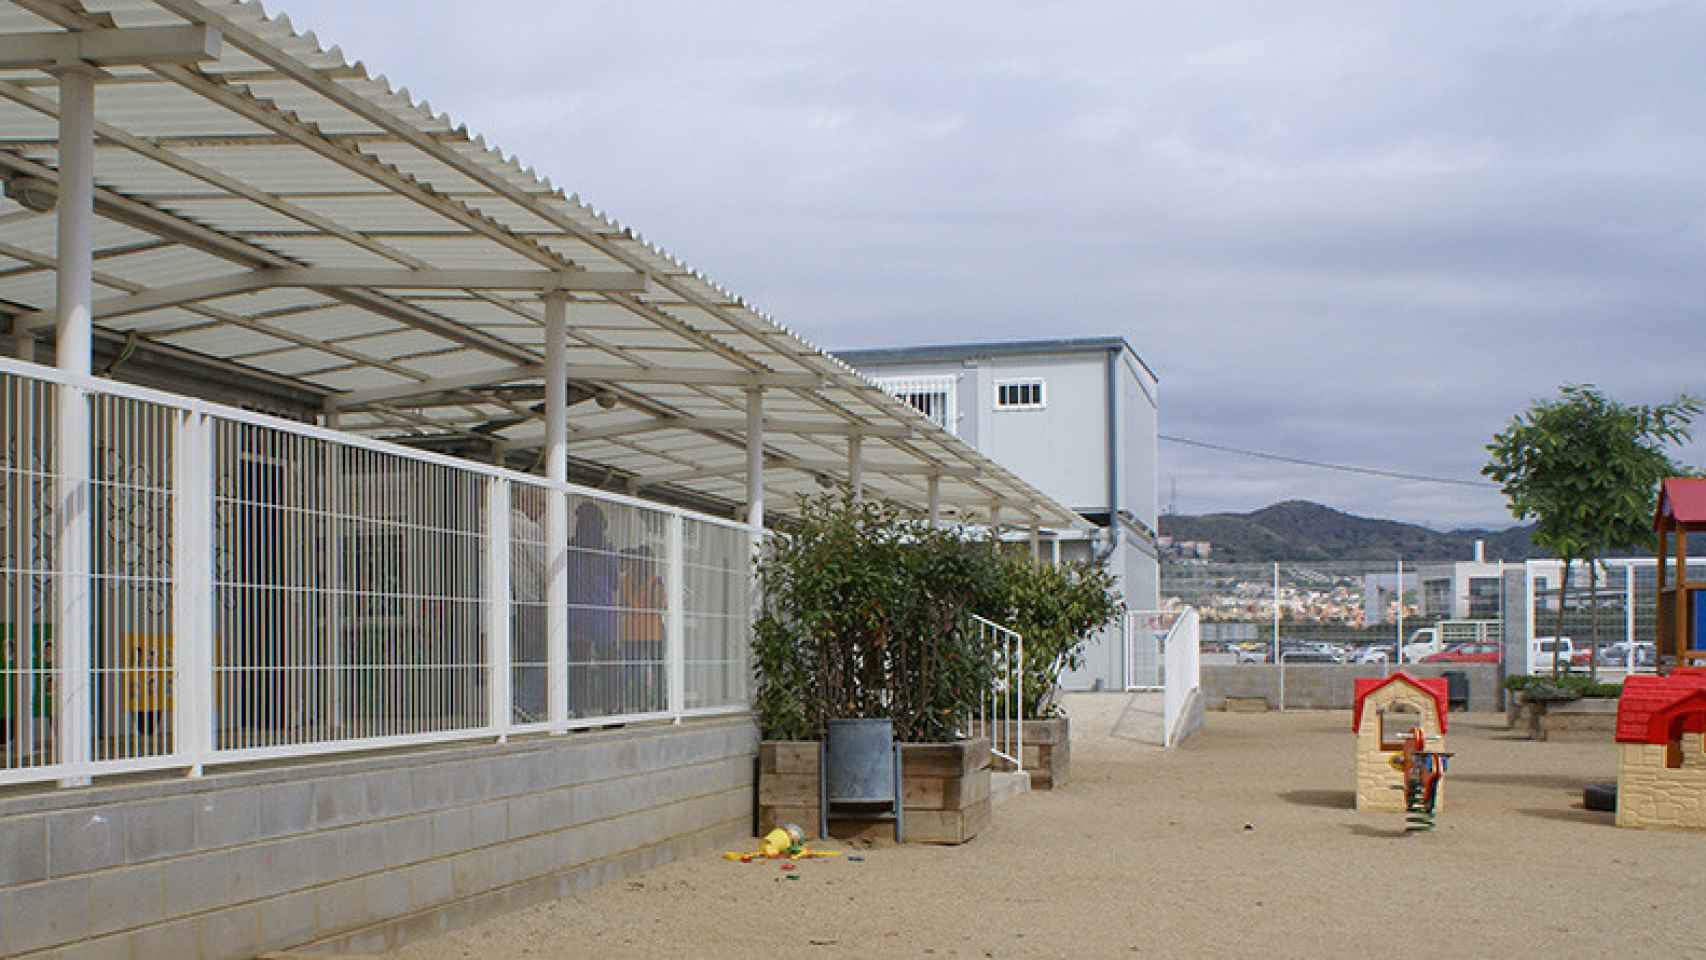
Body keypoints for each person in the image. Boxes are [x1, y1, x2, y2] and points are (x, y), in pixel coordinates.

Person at [566, 502, 620, 719]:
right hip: (602, 614)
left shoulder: (571, 548)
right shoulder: (607, 551)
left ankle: (579, 710)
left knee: (579, 665)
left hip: (576, 613)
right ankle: (611, 709)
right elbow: (615, 582)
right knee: (609, 664)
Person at [509, 491, 548, 723]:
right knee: (539, 654)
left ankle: (515, 703)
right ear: (524, 500)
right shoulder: (529, 529)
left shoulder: (500, 523)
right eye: (541, 504)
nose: (543, 510)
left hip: (511, 600)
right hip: (530, 600)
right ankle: (523, 703)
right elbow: (545, 567)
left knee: (517, 655)